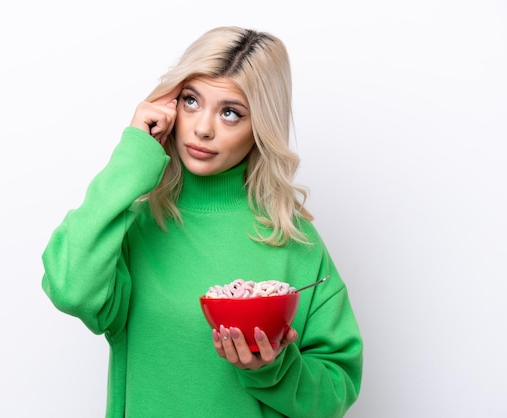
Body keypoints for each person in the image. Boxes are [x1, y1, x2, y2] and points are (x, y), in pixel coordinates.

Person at [42, 26, 363, 417]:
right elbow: (70, 288)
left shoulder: (294, 241)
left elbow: (336, 390)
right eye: (191, 101)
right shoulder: (135, 227)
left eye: (230, 113)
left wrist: (273, 369)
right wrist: (134, 157)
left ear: (260, 127)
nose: (203, 128)